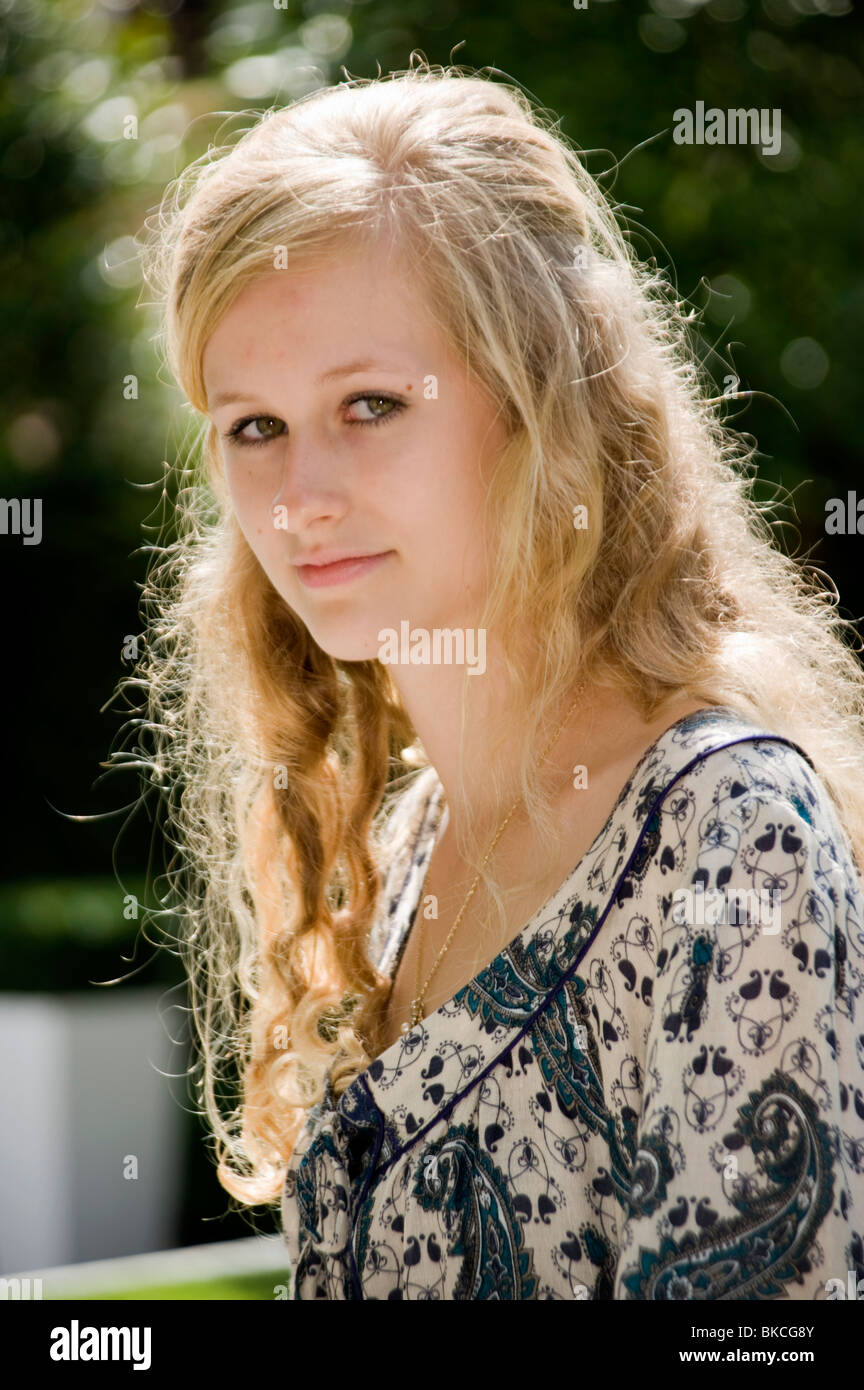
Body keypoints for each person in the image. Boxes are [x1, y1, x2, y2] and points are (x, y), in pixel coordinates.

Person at [126, 59, 864, 1299]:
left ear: (539, 404)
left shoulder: (730, 844)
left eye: (369, 403)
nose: (299, 496)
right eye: (252, 425)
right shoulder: (403, 847)